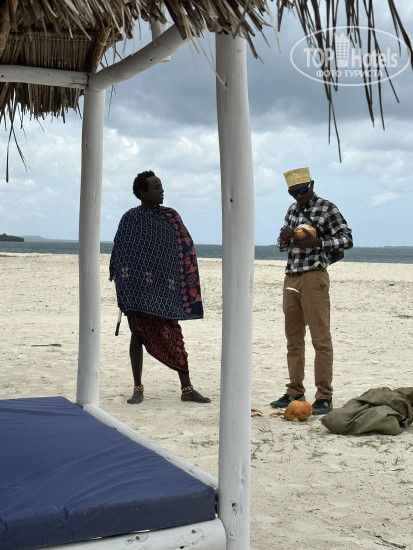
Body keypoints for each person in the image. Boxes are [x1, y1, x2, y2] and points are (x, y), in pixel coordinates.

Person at [110, 170, 210, 404]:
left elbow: (184, 248)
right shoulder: (130, 219)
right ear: (142, 192)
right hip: (136, 291)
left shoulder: (171, 217)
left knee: (174, 335)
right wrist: (126, 291)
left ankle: (187, 389)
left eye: (161, 186)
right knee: (137, 335)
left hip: (165, 289)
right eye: (156, 188)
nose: (161, 191)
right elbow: (120, 255)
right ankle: (138, 388)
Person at [270, 167, 353, 415]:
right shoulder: (292, 210)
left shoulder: (327, 208)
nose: (298, 197)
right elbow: (282, 248)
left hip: (314, 276)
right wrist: (283, 238)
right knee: (293, 339)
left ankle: (324, 396)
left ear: (312, 185)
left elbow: (347, 239)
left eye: (302, 191)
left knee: (320, 339)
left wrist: (318, 242)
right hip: (291, 276)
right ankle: (294, 390)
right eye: (293, 193)